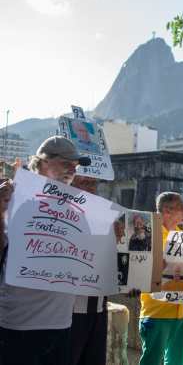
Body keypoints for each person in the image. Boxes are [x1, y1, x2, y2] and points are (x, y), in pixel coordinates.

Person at [0, 136, 91, 365]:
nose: (72, 170)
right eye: (65, 163)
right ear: (41, 162)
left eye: (75, 165)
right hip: (18, 323)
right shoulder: (12, 197)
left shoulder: (77, 210)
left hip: (61, 323)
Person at [138, 192, 183, 365]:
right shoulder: (147, 235)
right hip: (157, 312)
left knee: (178, 361)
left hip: (182, 311)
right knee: (152, 361)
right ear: (167, 211)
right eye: (182, 208)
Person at [70, 175, 109, 365]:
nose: (91, 188)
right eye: (85, 182)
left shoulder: (104, 215)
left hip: (98, 306)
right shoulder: (60, 215)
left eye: (94, 183)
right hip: (69, 310)